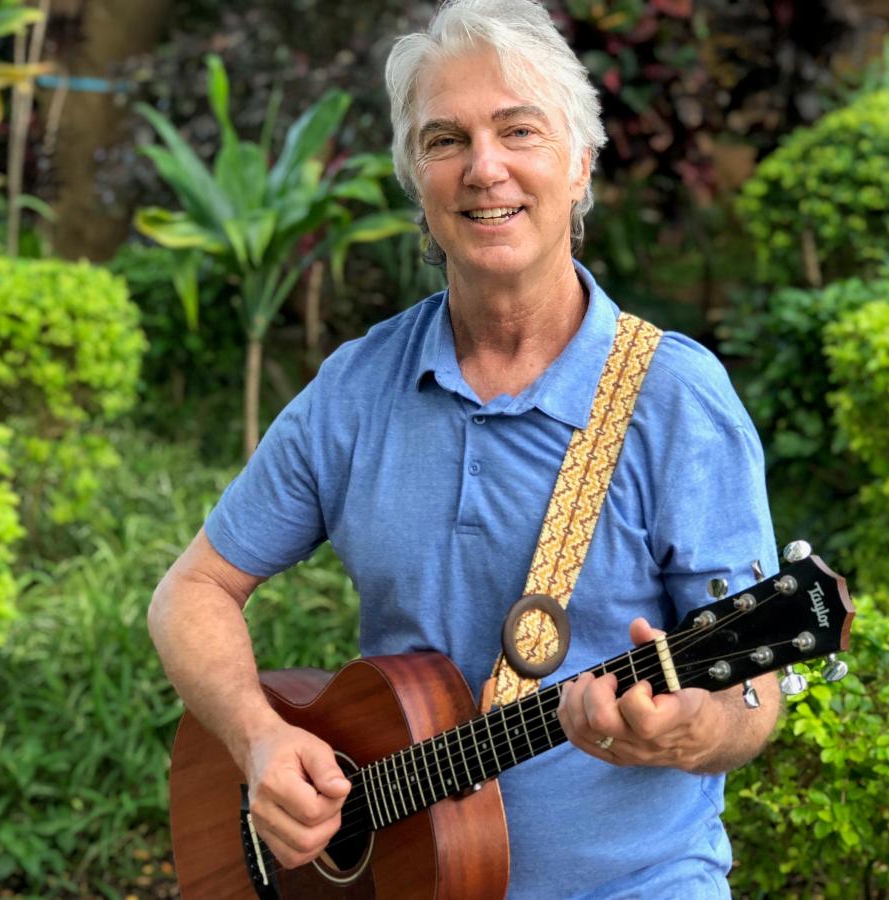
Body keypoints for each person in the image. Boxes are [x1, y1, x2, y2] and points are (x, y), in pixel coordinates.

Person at [147, 0, 781, 896]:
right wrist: (258, 736)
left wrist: (689, 730)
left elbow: (752, 700)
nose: (485, 169)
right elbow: (192, 591)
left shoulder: (674, 399)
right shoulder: (358, 387)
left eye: (518, 129)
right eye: (446, 140)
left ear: (579, 163)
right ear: (417, 178)